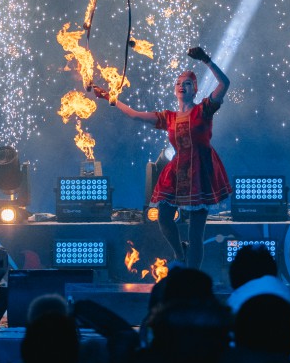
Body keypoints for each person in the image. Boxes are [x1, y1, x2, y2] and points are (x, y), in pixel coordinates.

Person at [94, 46, 231, 268]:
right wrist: (110, 98)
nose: (182, 86)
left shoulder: (203, 110)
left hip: (201, 171)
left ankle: (192, 277)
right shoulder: (169, 117)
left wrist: (206, 60)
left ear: (195, 89)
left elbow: (224, 83)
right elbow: (135, 115)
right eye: (178, 83)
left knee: (196, 232)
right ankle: (180, 254)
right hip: (178, 170)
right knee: (164, 217)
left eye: (187, 83)